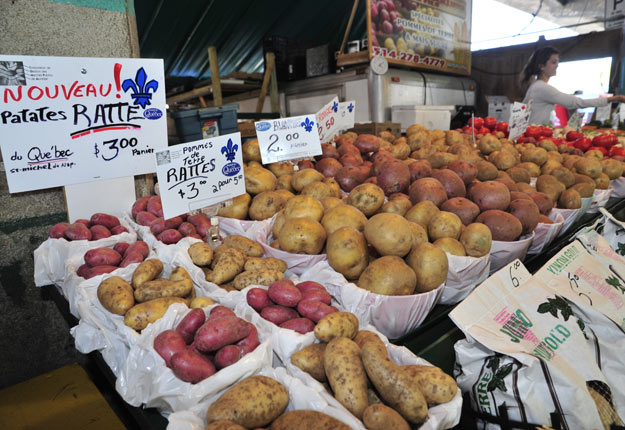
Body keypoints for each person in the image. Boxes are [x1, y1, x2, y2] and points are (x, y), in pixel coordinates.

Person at [521, 46, 625, 125]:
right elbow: (577, 102)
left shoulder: (536, 86)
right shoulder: (541, 87)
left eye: (557, 62)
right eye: (553, 62)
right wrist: (614, 99)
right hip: (534, 137)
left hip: (534, 135)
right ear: (541, 66)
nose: (557, 65)